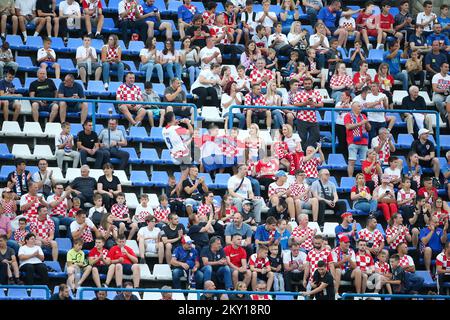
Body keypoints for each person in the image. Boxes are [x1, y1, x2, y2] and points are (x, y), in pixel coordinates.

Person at [292, 77, 323, 150]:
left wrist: (314, 105)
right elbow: (295, 103)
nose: (307, 85)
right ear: (303, 84)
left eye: (309, 83)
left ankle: (307, 150)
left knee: (316, 135)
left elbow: (321, 104)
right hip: (302, 118)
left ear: (312, 84)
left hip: (313, 119)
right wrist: (305, 103)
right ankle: (303, 155)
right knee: (302, 138)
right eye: (306, 84)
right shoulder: (299, 93)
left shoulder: (316, 93)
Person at [344, 101, 371, 177]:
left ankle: (364, 178)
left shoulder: (363, 116)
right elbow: (348, 127)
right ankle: (350, 178)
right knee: (352, 161)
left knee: (364, 162)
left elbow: (369, 128)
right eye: (359, 106)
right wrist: (361, 123)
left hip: (364, 142)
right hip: (353, 142)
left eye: (361, 106)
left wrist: (367, 123)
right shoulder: (348, 116)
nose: (361, 107)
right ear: (353, 108)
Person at [431, 62, 450, 127]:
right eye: (445, 67)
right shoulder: (436, 76)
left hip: (448, 95)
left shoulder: (449, 77)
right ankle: (445, 114)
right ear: (441, 68)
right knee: (437, 100)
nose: (447, 68)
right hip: (438, 94)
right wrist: (443, 90)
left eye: (448, 67)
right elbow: (434, 89)